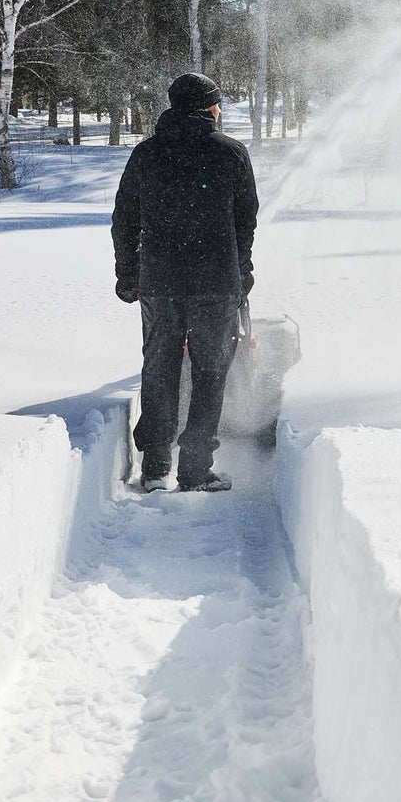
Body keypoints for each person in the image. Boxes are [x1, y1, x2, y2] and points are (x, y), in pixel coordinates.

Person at [111, 72, 258, 492]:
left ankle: (156, 467)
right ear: (207, 108)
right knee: (210, 373)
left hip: (160, 282)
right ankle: (195, 469)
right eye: (217, 104)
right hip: (215, 282)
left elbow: (124, 220)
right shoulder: (231, 153)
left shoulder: (147, 154)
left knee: (159, 369)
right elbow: (245, 221)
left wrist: (128, 273)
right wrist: (241, 269)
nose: (219, 110)